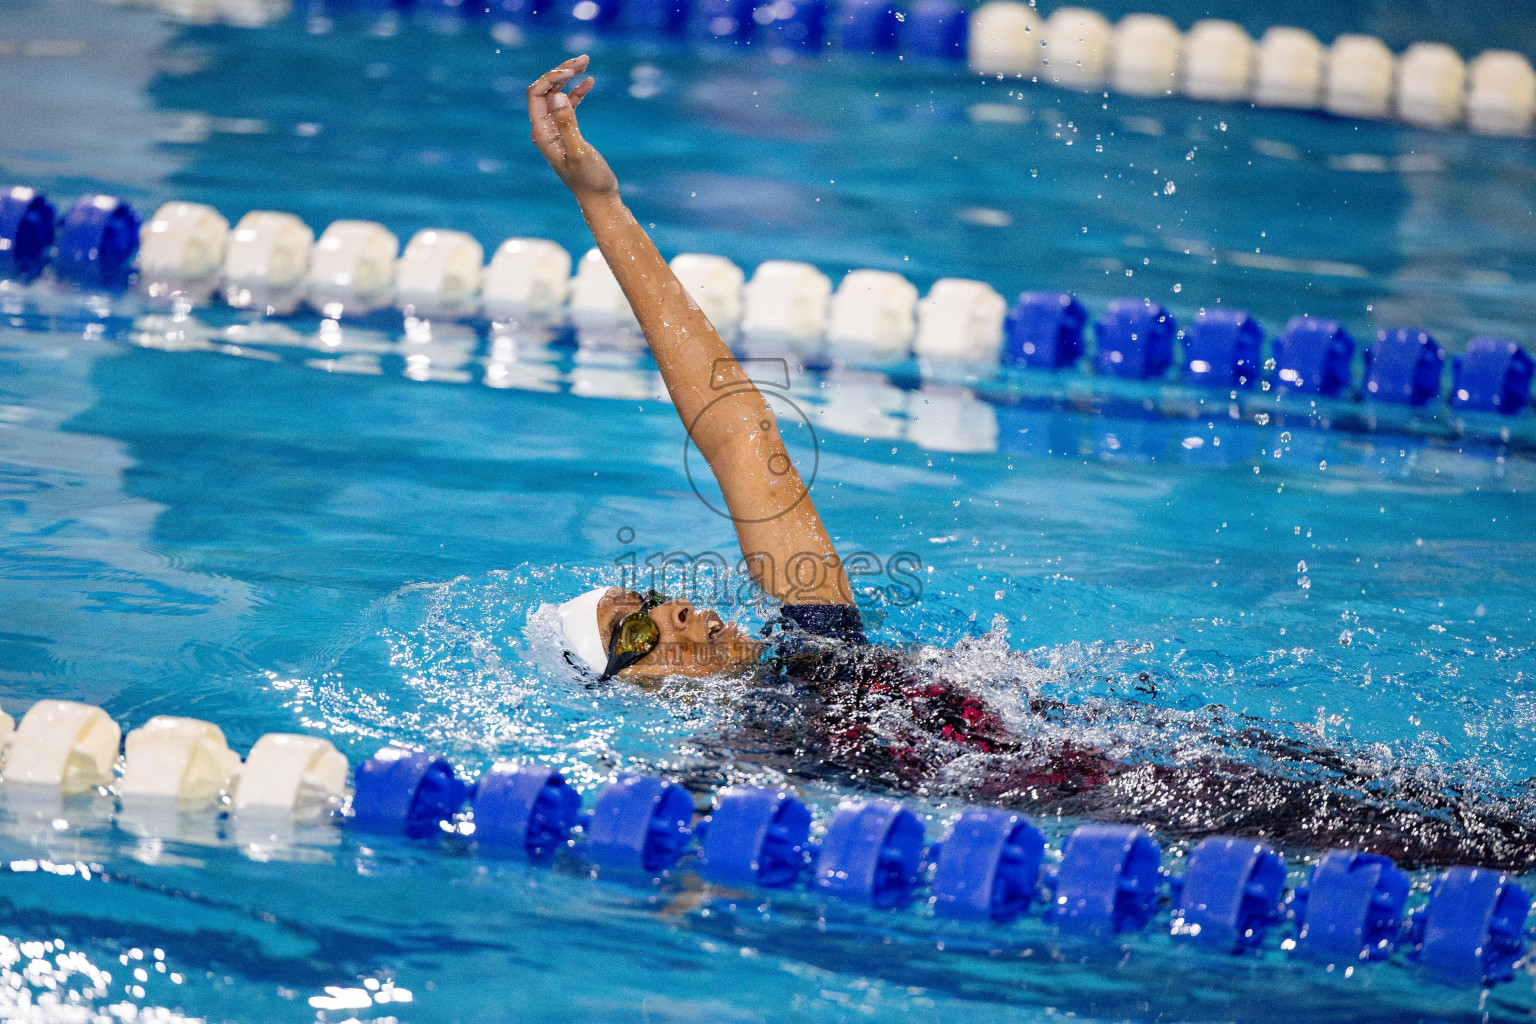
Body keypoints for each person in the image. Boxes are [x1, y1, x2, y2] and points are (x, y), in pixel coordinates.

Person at [526, 58, 1536, 871]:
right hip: (1121, 813)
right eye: (641, 625)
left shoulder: (819, 645)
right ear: (632, 684)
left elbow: (742, 430)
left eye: (656, 593)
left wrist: (603, 204)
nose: (683, 609)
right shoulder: (743, 759)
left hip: (1161, 751)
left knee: (1463, 814)